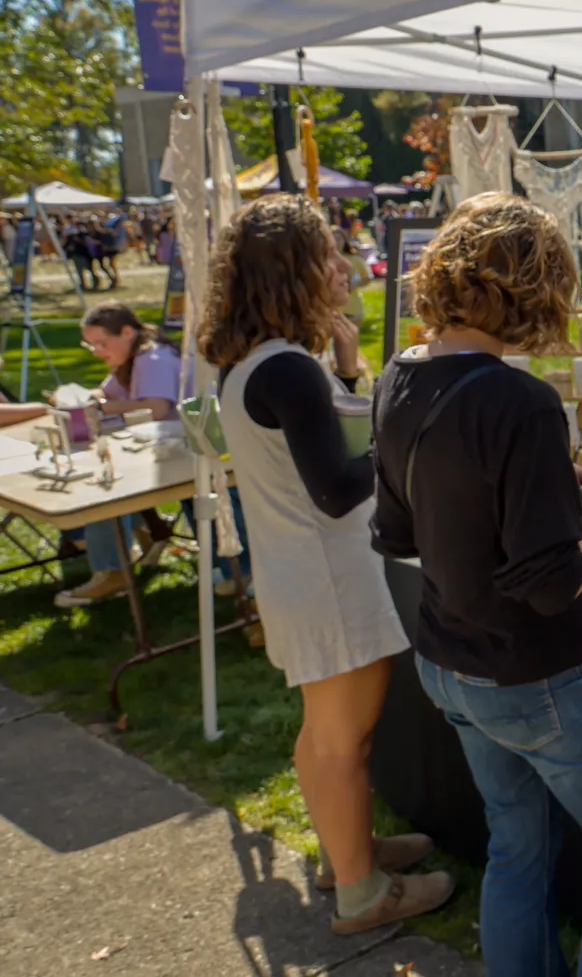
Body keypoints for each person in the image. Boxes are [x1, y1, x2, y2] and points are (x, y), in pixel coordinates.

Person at [372, 193, 582, 976]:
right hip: (534, 675)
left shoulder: (398, 377)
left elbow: (400, 531)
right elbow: (552, 584)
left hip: (448, 663)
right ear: (534, 291)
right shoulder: (522, 401)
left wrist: (537, 484)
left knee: (517, 842)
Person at [197, 194, 449, 933]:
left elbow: (321, 447)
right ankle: (362, 890)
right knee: (344, 739)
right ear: (295, 273)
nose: (343, 265)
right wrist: (404, 437)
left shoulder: (256, 364)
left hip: (298, 573)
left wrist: (350, 371)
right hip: (328, 578)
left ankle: (350, 851)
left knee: (324, 735)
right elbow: (339, 490)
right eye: (329, 254)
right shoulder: (288, 373)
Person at [53, 305, 184, 607]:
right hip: (158, 448)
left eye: (102, 343)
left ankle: (112, 571)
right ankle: (148, 530)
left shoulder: (153, 358)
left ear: (127, 332)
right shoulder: (133, 356)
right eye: (91, 345)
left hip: (178, 454)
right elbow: (104, 393)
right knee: (98, 467)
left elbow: (156, 408)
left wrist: (98, 409)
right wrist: (82, 398)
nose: (97, 351)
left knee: (100, 483)